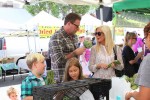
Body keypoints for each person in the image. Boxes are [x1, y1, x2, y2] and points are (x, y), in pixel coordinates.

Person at [48, 13, 85, 83]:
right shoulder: (56, 37)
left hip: (74, 79)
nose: (78, 29)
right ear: (69, 23)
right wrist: (75, 53)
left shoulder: (74, 37)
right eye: (77, 26)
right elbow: (58, 60)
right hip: (61, 80)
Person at [125, 22, 150, 100]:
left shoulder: (148, 60)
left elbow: (144, 97)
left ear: (149, 36)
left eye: (144, 38)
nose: (144, 41)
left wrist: (131, 93)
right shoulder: (127, 48)